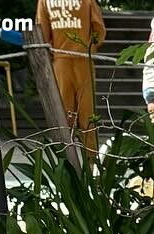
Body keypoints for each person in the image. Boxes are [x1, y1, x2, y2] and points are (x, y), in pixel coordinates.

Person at [34, 0, 107, 159]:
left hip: (61, 61)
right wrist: (89, 47)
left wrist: (52, 50)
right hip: (82, 59)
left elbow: (42, 34)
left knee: (63, 113)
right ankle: (91, 160)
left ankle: (65, 160)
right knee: (87, 114)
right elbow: (99, 28)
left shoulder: (45, 1)